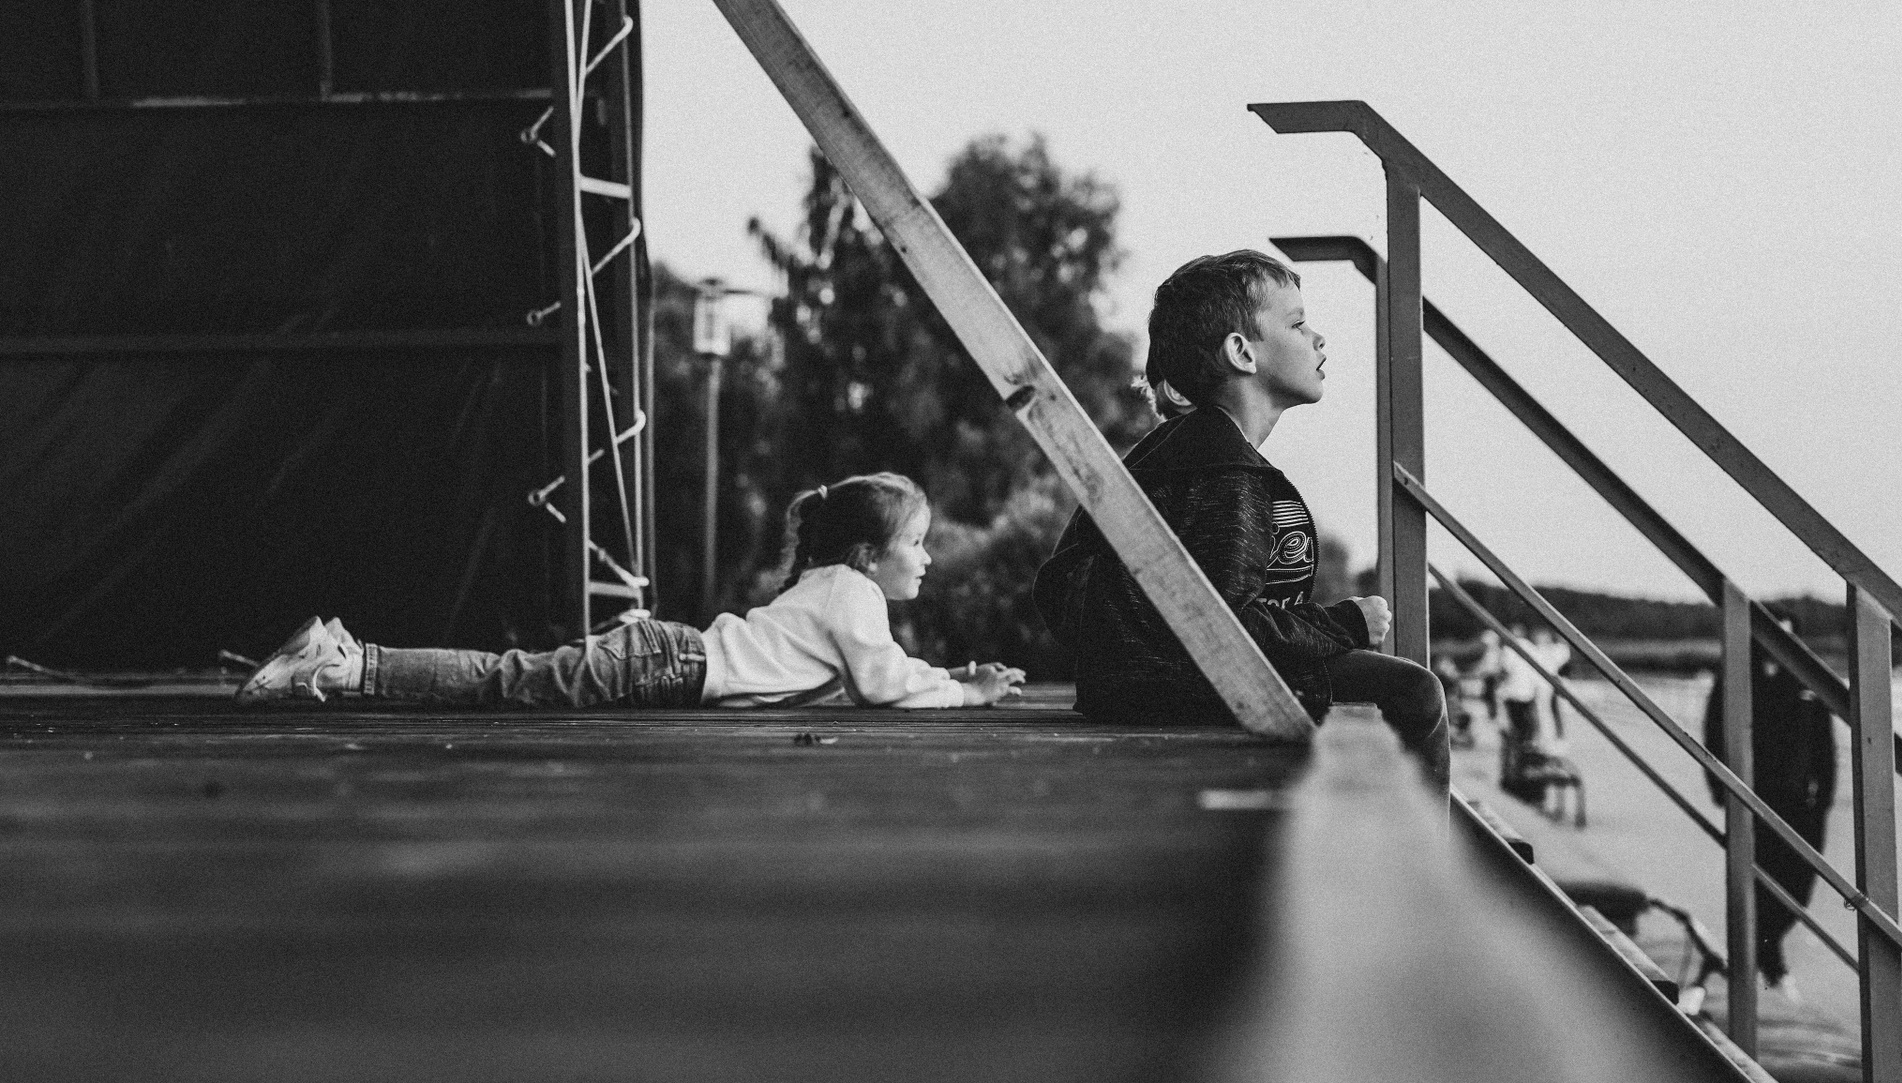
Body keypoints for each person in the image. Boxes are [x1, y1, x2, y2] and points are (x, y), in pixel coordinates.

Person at [1033, 250, 1449, 786]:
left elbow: (1068, 585)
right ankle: (1421, 843)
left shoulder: (1179, 451)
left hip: (1141, 688)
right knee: (1415, 692)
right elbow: (1225, 630)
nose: (1318, 338)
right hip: (1181, 690)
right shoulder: (1223, 472)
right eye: (1297, 324)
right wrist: (1346, 624)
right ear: (1242, 353)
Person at [236, 473, 1025, 711]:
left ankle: (347, 659)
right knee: (507, 680)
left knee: (513, 676)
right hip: (666, 662)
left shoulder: (835, 587)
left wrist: (944, 677)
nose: (927, 558)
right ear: (868, 555)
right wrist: (969, 693)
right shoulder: (854, 595)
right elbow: (882, 686)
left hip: (666, 656)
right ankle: (347, 665)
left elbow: (875, 675)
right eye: (916, 543)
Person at [1704, 615, 1835, 992]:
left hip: (1802, 805)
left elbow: (1824, 745)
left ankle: (1766, 950)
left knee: (1799, 888)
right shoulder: (1736, 676)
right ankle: (1763, 961)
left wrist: (1824, 797)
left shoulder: (1807, 680)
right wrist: (1719, 789)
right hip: (1751, 800)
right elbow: (1713, 729)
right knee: (1757, 881)